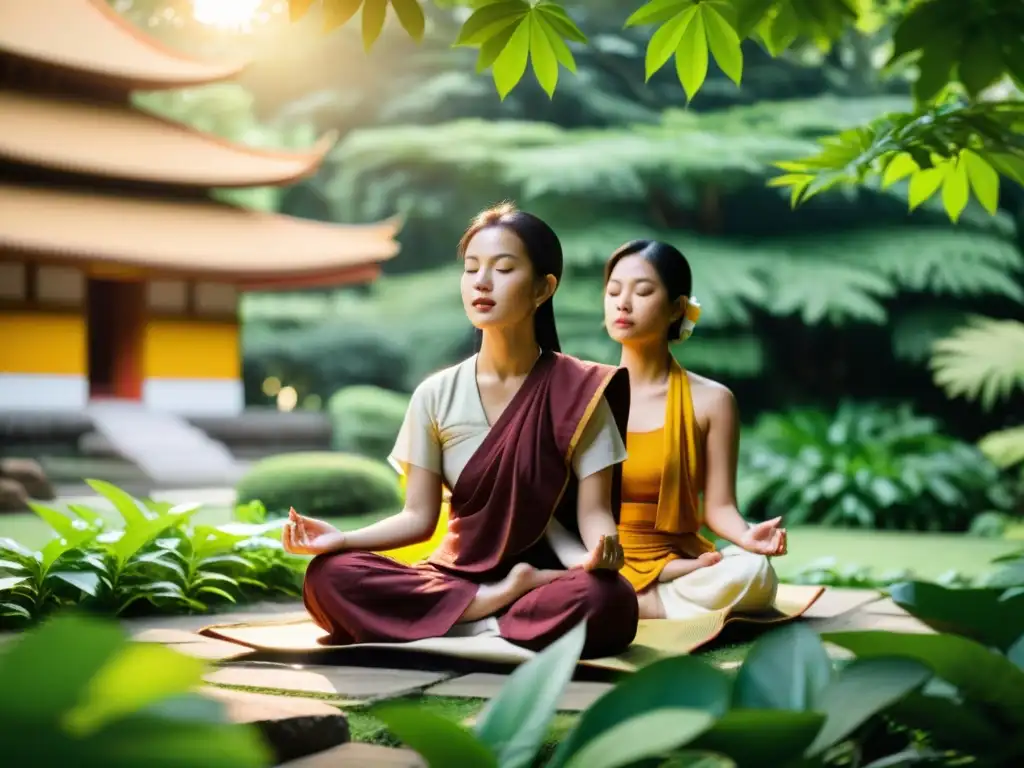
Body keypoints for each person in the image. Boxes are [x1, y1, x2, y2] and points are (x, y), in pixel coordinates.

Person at [282, 203, 639, 659]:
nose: (481, 282)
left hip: (545, 578)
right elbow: (418, 518)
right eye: (471, 269)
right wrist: (342, 540)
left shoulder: (581, 391)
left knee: (610, 601)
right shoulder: (436, 393)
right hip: (456, 577)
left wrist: (602, 549)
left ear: (542, 288)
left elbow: (593, 513)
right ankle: (491, 610)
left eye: (503, 268)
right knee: (328, 578)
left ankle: (459, 622)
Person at [601, 239, 786, 621]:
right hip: (601, 557)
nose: (623, 302)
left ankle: (638, 599)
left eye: (643, 291)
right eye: (614, 290)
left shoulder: (713, 401)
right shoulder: (583, 392)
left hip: (681, 558)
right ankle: (644, 597)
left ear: (676, 309)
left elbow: (719, 507)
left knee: (752, 571)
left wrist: (747, 536)